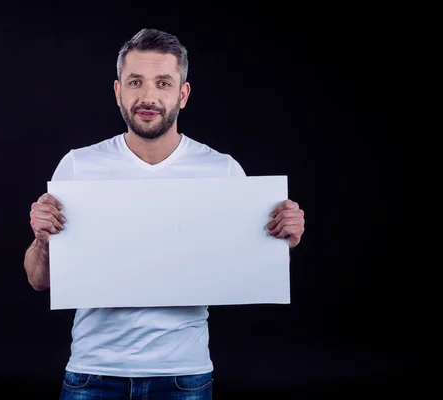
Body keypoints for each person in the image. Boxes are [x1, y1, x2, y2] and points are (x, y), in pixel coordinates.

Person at [24, 28, 306, 399]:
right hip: (92, 373)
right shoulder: (78, 166)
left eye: (163, 83)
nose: (148, 96)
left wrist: (283, 240)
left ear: (182, 94)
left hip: (183, 375)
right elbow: (38, 280)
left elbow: (246, 268)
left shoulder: (221, 170)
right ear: (117, 91)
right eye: (136, 82)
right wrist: (43, 243)